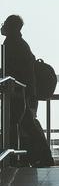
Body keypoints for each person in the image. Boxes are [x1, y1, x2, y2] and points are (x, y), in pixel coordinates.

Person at [1, 15, 37, 153]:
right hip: (23, 91)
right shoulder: (20, 43)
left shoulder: (12, 44)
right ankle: (38, 156)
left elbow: (10, 69)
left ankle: (14, 156)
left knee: (17, 123)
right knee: (26, 124)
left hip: (17, 91)